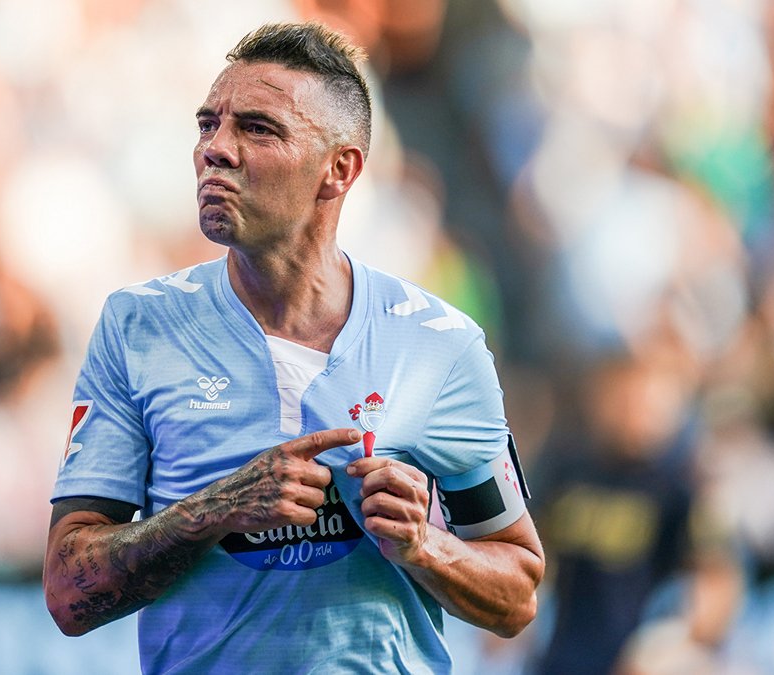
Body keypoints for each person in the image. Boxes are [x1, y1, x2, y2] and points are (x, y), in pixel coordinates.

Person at [43, 21, 544, 674]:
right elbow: (65, 594)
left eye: (257, 128)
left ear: (339, 169)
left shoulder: (438, 346)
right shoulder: (138, 327)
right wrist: (213, 510)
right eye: (206, 124)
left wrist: (424, 546)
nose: (215, 149)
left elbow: (516, 594)